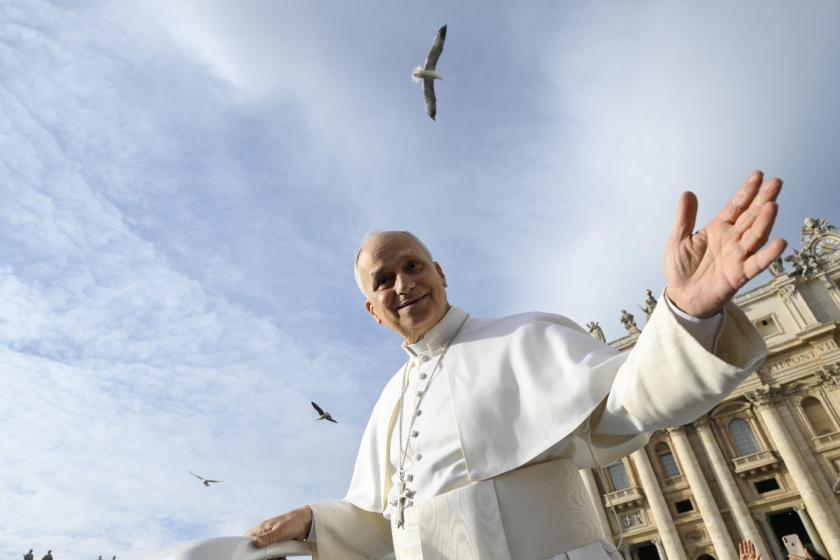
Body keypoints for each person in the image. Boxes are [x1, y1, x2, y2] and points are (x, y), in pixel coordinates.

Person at [247, 171, 785, 559]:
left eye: (412, 267)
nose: (403, 285)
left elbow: (628, 404)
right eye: (383, 280)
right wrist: (316, 521)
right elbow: (386, 524)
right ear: (371, 309)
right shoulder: (388, 404)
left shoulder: (526, 336)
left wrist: (687, 313)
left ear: (440, 272)